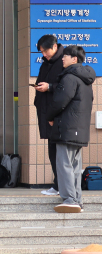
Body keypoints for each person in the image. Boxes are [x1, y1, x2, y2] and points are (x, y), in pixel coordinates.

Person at [47, 45, 95, 213]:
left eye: (65, 56)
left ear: (74, 59)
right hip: (79, 129)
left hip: (66, 127)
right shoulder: (85, 79)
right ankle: (77, 200)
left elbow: (60, 101)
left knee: (64, 164)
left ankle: (69, 199)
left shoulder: (69, 78)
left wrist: (50, 116)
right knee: (75, 165)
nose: (62, 58)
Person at [34, 34, 65, 196]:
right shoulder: (46, 63)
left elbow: (68, 86)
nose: (43, 54)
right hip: (47, 110)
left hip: (58, 113)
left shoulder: (65, 61)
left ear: (54, 46)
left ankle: (62, 186)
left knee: (60, 151)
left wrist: (50, 87)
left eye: (45, 51)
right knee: (52, 149)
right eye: (41, 51)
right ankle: (57, 184)